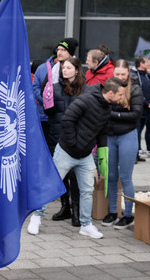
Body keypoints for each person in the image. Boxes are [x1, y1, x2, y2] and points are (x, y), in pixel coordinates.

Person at [49, 77, 127, 239]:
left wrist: (102, 156)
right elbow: (67, 119)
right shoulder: (86, 99)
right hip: (66, 151)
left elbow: (102, 132)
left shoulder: (107, 106)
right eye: (120, 94)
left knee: (87, 191)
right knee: (51, 186)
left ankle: (86, 225)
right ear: (110, 93)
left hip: (85, 156)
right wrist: (73, 143)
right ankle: (37, 216)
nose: (122, 98)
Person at [28, 58, 85, 234]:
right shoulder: (54, 86)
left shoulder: (84, 89)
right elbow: (48, 110)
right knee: (55, 175)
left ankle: (77, 212)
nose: (64, 70)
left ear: (76, 70)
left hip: (77, 138)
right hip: (57, 135)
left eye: (68, 67)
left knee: (77, 176)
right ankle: (53, 209)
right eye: (62, 68)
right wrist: (47, 98)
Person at [102, 59, 143, 229]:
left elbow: (136, 115)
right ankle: (112, 212)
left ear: (128, 73)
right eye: (117, 74)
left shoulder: (134, 88)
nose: (120, 77)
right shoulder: (109, 86)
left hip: (127, 136)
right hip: (110, 136)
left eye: (123, 74)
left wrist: (114, 115)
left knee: (125, 177)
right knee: (111, 176)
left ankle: (127, 215)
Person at [132, 55, 150, 159]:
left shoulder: (145, 75)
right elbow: (138, 92)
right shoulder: (136, 76)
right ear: (141, 64)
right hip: (140, 109)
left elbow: (149, 92)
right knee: (137, 131)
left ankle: (139, 152)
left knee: (142, 129)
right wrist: (146, 102)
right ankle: (136, 153)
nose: (148, 64)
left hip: (147, 110)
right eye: (146, 62)